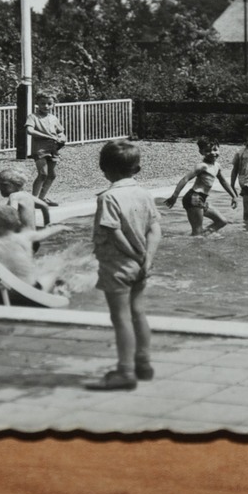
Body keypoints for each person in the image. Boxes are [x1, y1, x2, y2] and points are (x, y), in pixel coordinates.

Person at [86, 140, 163, 391]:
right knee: (138, 312)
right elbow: (154, 228)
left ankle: (125, 372)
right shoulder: (144, 194)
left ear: (103, 168)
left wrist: (133, 255)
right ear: (137, 169)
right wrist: (146, 258)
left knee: (120, 318)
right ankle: (144, 362)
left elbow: (114, 234)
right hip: (141, 267)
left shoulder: (108, 197)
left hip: (118, 265)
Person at [0, 202, 68, 288]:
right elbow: (46, 233)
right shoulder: (25, 236)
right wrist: (61, 227)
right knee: (54, 273)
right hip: (30, 287)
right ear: (16, 223)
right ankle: (60, 294)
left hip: (9, 288)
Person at [165, 137, 235, 235]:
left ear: (219, 149)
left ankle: (201, 236)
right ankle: (188, 240)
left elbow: (223, 182)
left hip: (201, 199)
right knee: (197, 233)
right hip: (194, 198)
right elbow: (185, 179)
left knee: (222, 221)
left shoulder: (217, 166)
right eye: (207, 151)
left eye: (215, 149)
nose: (212, 153)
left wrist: (233, 196)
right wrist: (174, 196)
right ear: (201, 152)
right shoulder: (201, 166)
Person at [26, 93, 66, 204]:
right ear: (37, 103)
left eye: (49, 104)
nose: (46, 106)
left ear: (53, 105)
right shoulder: (33, 117)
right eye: (43, 103)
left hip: (53, 148)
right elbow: (30, 130)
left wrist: (62, 137)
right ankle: (33, 200)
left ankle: (42, 198)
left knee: (52, 175)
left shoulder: (53, 118)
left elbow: (60, 131)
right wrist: (47, 136)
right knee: (43, 173)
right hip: (40, 148)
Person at [0, 166, 52, 236]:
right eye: (0, 185)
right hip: (34, 236)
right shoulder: (27, 195)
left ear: (15, 184)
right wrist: (47, 225)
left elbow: (12, 213)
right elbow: (44, 206)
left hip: (22, 237)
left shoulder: (14, 196)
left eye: (3, 185)